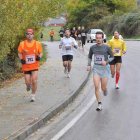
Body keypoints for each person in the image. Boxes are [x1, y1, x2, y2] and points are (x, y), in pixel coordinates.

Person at [87, 32, 114, 111]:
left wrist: (107, 61)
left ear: (102, 39)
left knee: (103, 87)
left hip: (104, 69)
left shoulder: (107, 47)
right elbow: (89, 57)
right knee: (96, 85)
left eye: (100, 38)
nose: (98, 39)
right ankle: (99, 104)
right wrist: (88, 65)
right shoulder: (92, 48)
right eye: (97, 38)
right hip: (96, 68)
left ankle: (105, 90)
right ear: (95, 38)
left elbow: (112, 57)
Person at [18, 29, 43, 102]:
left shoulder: (37, 43)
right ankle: (28, 86)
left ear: (33, 35)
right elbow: (19, 53)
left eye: (31, 34)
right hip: (26, 66)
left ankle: (33, 95)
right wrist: (21, 59)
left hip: (35, 65)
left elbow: (41, 52)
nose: (29, 35)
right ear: (26, 35)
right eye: (28, 34)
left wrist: (39, 57)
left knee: (34, 80)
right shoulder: (22, 44)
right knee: (28, 82)